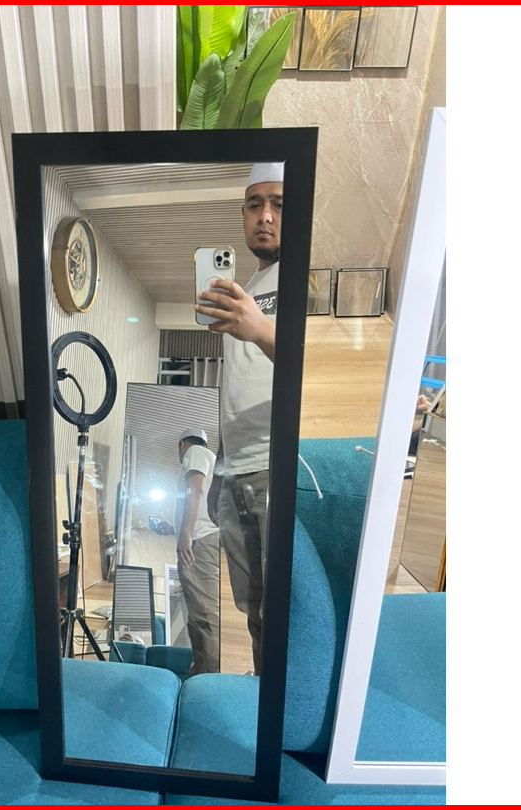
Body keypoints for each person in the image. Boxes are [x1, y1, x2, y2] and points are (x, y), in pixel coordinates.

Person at [194, 162, 284, 675]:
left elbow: (314, 367)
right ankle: (263, 694)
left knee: (284, 608)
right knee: (252, 608)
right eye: (255, 205)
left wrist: (260, 329)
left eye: (279, 204)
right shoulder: (248, 284)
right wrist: (218, 469)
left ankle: (282, 703)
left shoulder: (308, 276)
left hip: (278, 465)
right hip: (237, 471)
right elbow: (239, 382)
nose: (265, 216)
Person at [172, 427, 220, 675]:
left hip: (199, 539)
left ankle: (209, 677)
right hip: (200, 537)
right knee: (198, 613)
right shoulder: (209, 456)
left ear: (182, 444)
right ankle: (201, 671)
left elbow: (196, 491)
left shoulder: (196, 452)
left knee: (204, 615)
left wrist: (186, 534)